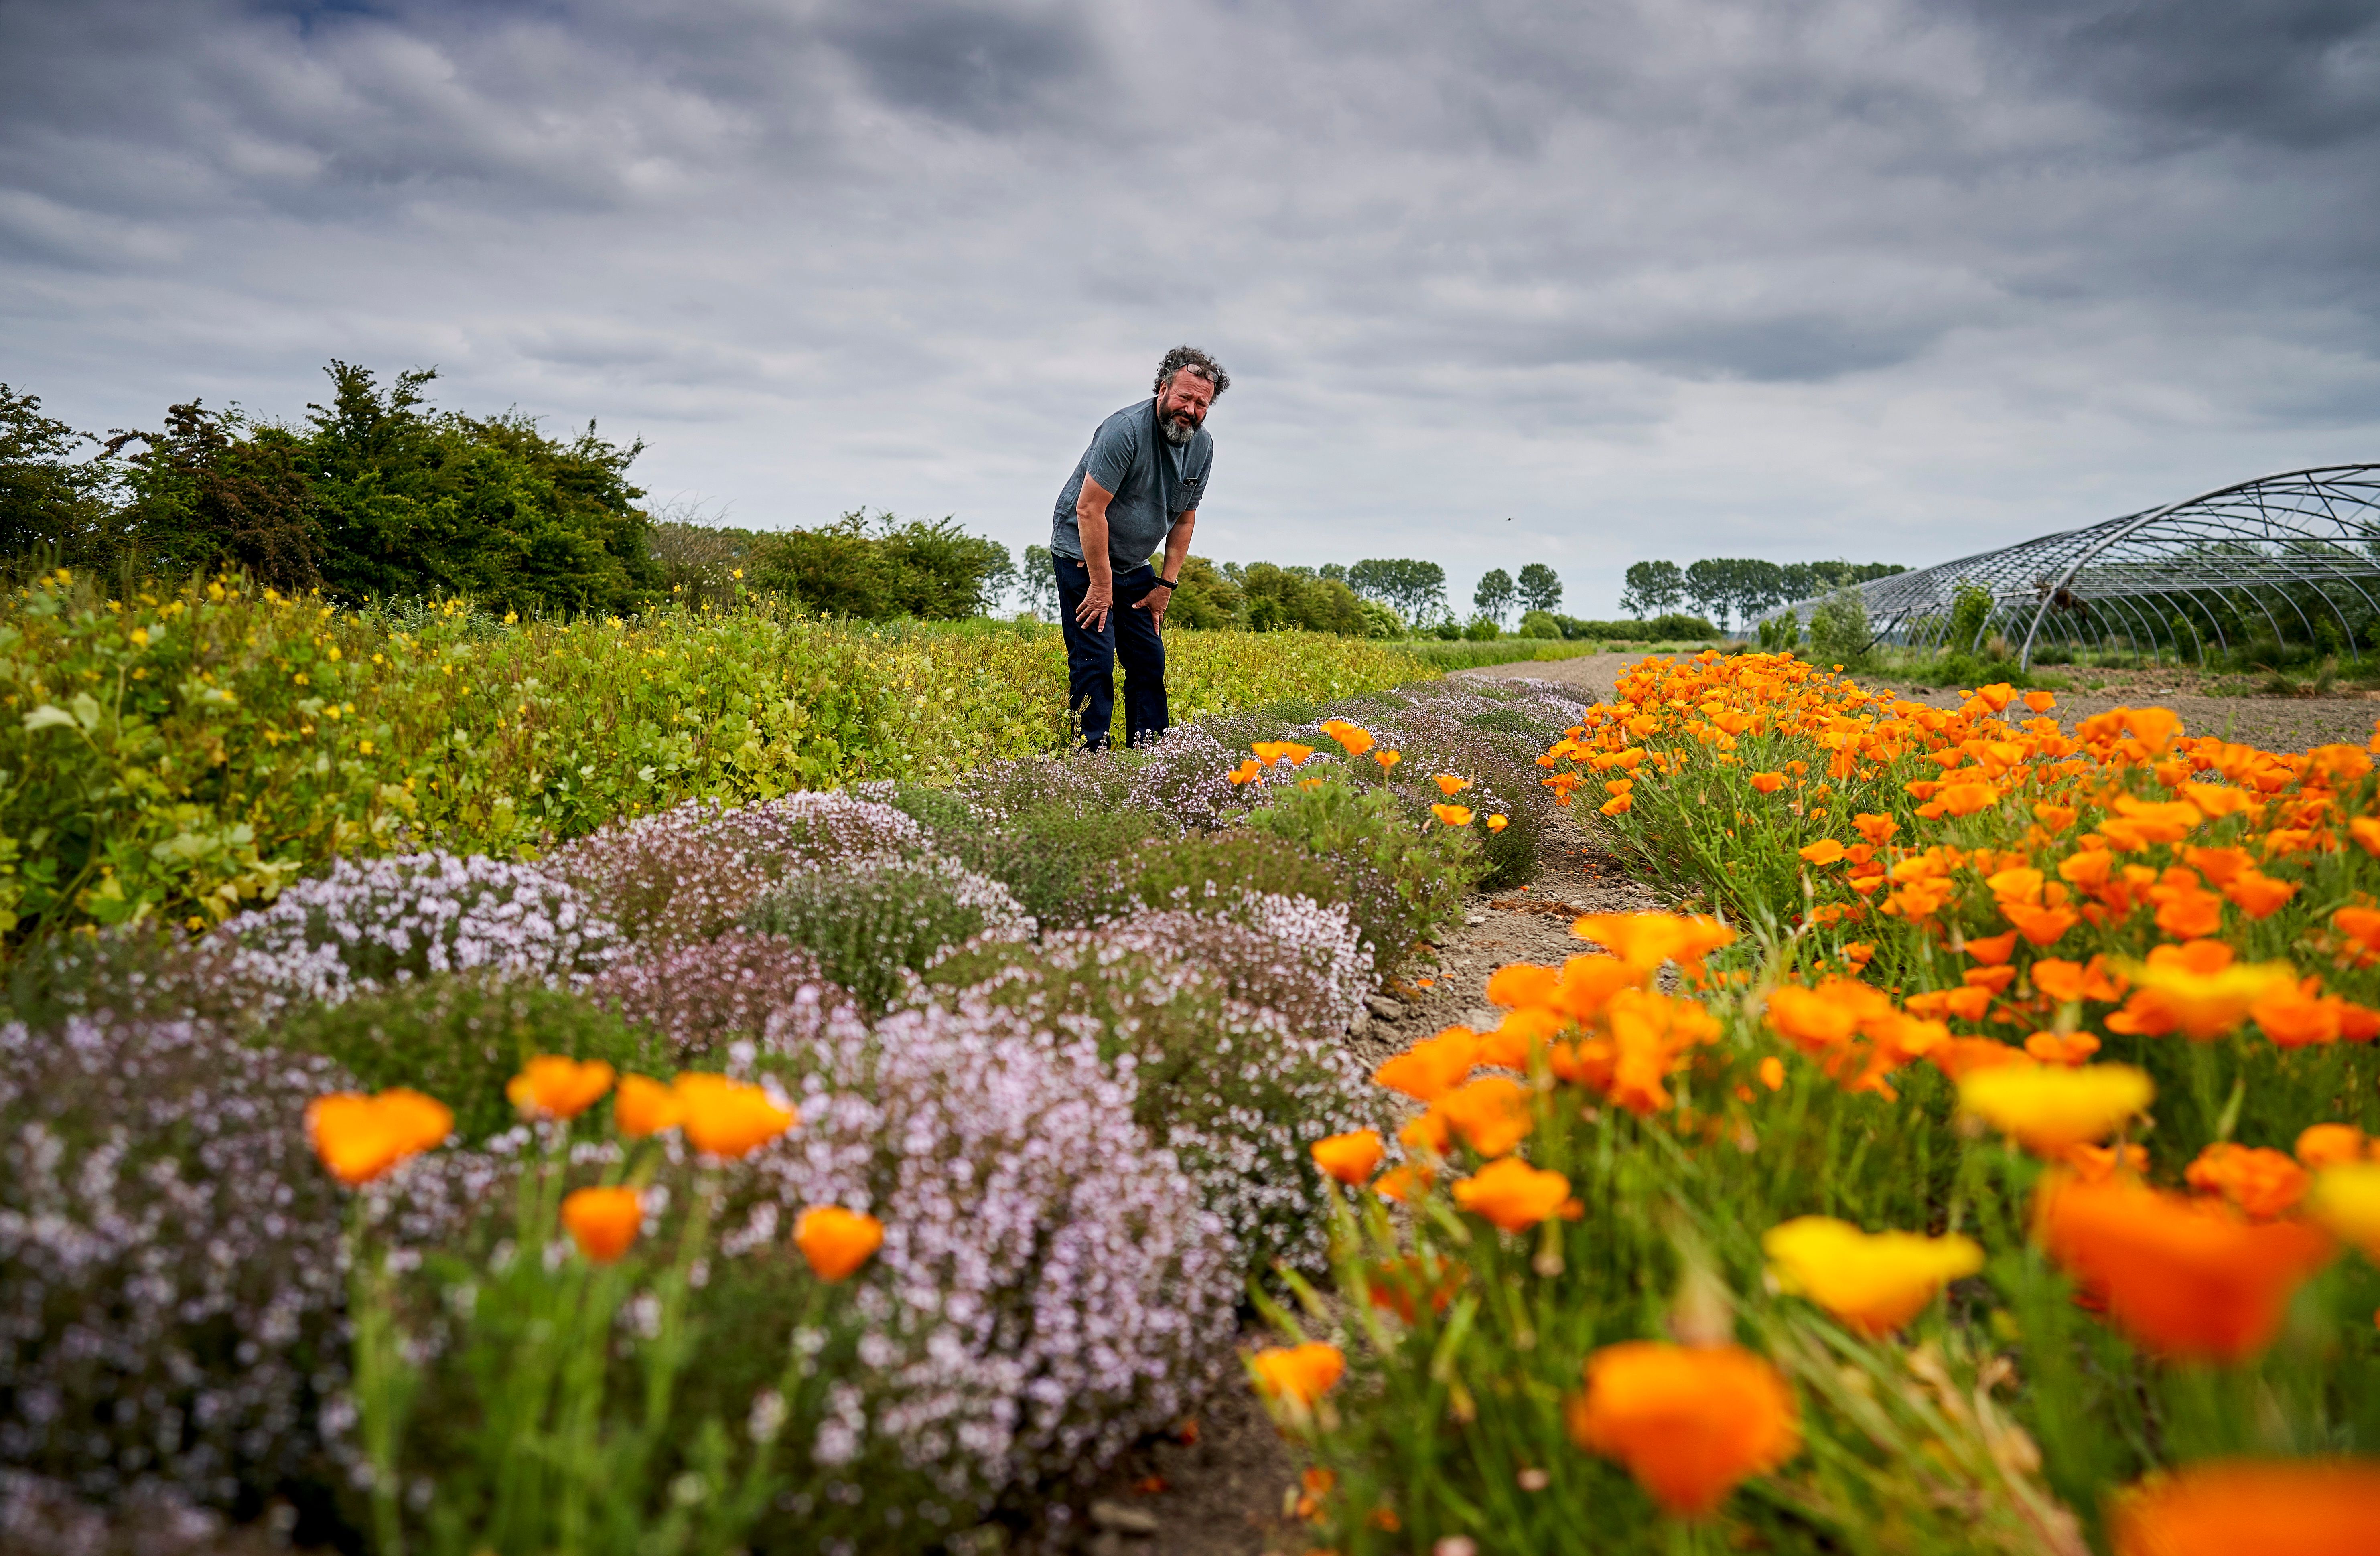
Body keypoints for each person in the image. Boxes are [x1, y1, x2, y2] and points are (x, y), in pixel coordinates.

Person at [1049, 345, 1224, 749]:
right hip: (1082, 552)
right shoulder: (1124, 430)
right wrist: (1099, 585)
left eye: (1201, 403)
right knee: (1095, 658)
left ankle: (1150, 756)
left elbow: (1184, 520)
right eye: (1184, 397)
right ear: (1162, 389)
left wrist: (1164, 587)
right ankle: (1090, 757)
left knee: (1148, 658)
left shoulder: (1202, 446)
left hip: (1132, 562)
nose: (1191, 409)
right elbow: (1089, 509)